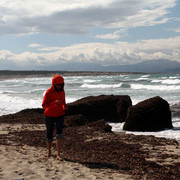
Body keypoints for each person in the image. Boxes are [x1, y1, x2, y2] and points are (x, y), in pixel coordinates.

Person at [42, 74, 68, 160]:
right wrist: (55, 103)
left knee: (59, 134)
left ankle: (58, 154)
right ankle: (49, 152)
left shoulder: (62, 91)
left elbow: (63, 102)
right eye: (58, 85)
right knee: (49, 133)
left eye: (61, 85)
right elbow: (44, 105)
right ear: (54, 84)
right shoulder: (48, 92)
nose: (60, 87)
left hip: (60, 115)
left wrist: (64, 107)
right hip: (49, 115)